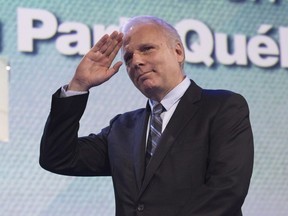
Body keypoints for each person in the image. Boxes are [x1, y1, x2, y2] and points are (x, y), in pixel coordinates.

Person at [40, 15, 254, 216]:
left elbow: (227, 191)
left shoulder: (223, 107)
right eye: (128, 57)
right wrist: (79, 86)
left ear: (178, 52)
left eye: (147, 49)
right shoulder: (122, 128)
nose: (136, 62)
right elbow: (58, 158)